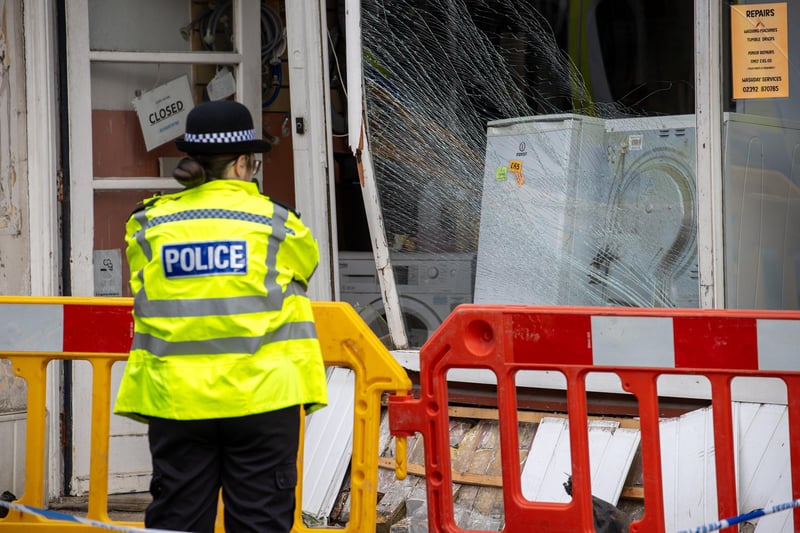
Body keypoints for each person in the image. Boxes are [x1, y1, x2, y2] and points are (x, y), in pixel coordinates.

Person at [114, 99, 328, 533]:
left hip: (177, 401)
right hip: (263, 398)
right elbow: (305, 267)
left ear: (191, 160)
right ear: (245, 162)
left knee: (178, 520)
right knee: (259, 521)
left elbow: (143, 280)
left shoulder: (147, 226)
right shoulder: (281, 225)